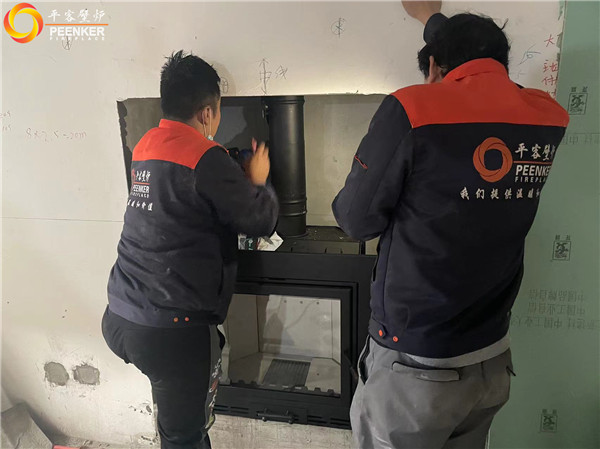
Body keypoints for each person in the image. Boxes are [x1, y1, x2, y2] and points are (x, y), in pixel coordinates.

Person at [332, 2, 569, 448]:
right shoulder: (546, 116)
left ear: (435, 67)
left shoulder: (412, 108)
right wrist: (433, 24)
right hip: (490, 362)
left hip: (415, 370)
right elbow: (491, 84)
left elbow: (354, 220)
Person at [102, 51, 279, 449]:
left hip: (121, 316)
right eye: (217, 112)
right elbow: (260, 221)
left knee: (177, 421)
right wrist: (258, 180)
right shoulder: (205, 156)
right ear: (206, 112)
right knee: (185, 438)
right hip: (171, 333)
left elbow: (179, 202)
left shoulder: (145, 145)